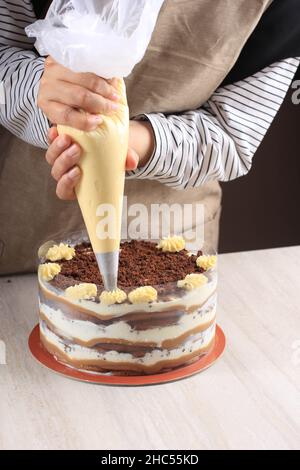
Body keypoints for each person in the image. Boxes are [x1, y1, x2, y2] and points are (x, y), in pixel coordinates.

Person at [0, 0, 299, 274]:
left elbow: (233, 136)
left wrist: (127, 143)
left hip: (171, 240)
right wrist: (46, 94)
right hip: (25, 244)